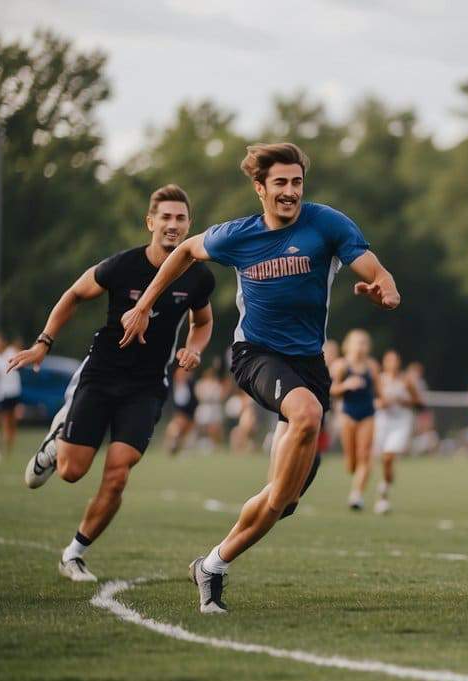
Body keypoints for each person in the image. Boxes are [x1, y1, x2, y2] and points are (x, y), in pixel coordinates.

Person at [118, 142, 399, 614]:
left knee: (280, 501)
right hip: (255, 356)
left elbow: (377, 271)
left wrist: (385, 292)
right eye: (280, 184)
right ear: (260, 188)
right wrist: (144, 305)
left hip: (309, 366)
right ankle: (217, 562)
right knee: (306, 413)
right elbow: (185, 250)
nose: (290, 192)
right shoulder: (237, 236)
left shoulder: (327, 223)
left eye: (297, 183)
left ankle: (211, 565)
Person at [8, 184, 215, 582]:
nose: (173, 226)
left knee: (118, 474)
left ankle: (74, 553)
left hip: (147, 385)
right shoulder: (122, 266)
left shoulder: (199, 276)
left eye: (181, 219)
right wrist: (42, 344)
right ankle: (57, 444)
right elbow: (73, 294)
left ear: (190, 225)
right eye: (166, 218)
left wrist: (195, 349)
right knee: (72, 471)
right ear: (150, 222)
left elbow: (202, 322)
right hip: (101, 376)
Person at [331, 329, 379, 511]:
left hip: (368, 414)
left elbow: (379, 391)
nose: (360, 346)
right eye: (357, 342)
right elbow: (332, 390)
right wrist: (346, 385)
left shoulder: (372, 366)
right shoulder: (341, 366)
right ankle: (356, 474)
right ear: (348, 345)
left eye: (364, 343)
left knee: (365, 455)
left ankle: (356, 495)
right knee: (351, 462)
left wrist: (382, 400)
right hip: (347, 414)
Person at [373, 349, 422, 513]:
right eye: (389, 361)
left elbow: (418, 401)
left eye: (395, 361)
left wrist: (403, 400)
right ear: (384, 363)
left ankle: (385, 489)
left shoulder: (406, 380)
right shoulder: (379, 380)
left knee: (389, 456)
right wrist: (381, 403)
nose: (393, 364)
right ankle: (386, 483)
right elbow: (374, 400)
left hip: (401, 423)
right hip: (383, 422)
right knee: (384, 459)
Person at [165, 366, 199, 455]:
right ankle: (172, 447)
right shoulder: (173, 386)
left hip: (190, 415)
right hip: (179, 415)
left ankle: (180, 448)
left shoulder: (191, 384)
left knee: (186, 435)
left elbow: (194, 401)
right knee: (174, 430)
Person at [0, 336, 22, 454]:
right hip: (5, 392)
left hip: (13, 391)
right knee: (6, 421)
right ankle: (6, 445)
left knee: (11, 421)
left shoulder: (10, 352)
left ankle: (9, 446)